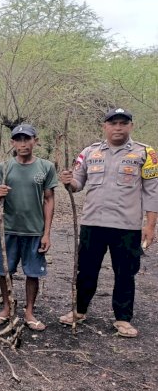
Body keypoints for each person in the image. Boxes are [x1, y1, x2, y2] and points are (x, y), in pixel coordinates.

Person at [59, 108, 158, 337]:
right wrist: (68, 181)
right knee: (86, 270)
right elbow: (78, 183)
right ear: (105, 126)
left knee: (125, 273)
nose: (118, 127)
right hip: (92, 224)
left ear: (131, 126)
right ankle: (79, 310)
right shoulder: (90, 152)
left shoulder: (146, 153)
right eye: (113, 123)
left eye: (123, 123)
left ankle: (123, 318)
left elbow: (152, 192)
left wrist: (150, 226)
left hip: (127, 227)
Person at [0, 124, 56, 331]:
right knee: (5, 271)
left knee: (32, 273)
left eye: (27, 139)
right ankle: (7, 309)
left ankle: (29, 312)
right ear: (12, 143)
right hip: (8, 229)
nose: (23, 144)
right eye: (18, 140)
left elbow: (49, 199)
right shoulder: (4, 167)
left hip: (34, 230)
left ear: (35, 140)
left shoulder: (46, 167)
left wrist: (46, 233)